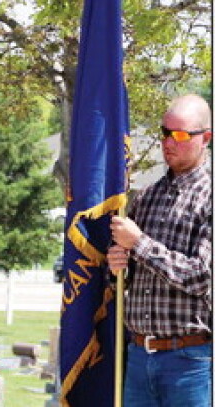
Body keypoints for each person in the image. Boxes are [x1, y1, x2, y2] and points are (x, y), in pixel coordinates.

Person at [107, 94, 212, 406]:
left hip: (190, 361)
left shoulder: (209, 197)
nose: (169, 142)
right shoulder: (146, 197)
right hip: (139, 355)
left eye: (180, 135)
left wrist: (139, 243)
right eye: (165, 132)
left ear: (206, 138)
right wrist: (117, 266)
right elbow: (131, 274)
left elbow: (201, 277)